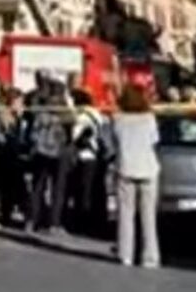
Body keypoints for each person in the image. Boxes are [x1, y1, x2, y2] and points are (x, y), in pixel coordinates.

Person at [111, 83, 161, 268]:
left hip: (125, 167)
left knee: (125, 214)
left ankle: (125, 254)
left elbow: (113, 142)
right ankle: (150, 256)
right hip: (148, 168)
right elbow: (154, 141)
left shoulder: (117, 119)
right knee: (149, 216)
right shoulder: (149, 118)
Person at [25, 77, 72, 233]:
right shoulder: (64, 109)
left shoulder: (39, 107)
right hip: (59, 151)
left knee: (37, 187)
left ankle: (32, 220)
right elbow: (72, 124)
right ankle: (54, 223)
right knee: (58, 188)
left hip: (40, 150)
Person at [0, 87, 27, 226]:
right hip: (1, 154)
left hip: (7, 154)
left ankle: (4, 213)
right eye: (19, 101)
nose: (22, 105)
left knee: (7, 187)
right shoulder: (1, 113)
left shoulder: (8, 113)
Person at [69, 88, 110, 233]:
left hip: (84, 155)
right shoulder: (97, 114)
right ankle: (97, 220)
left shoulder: (81, 116)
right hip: (96, 156)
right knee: (96, 189)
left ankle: (82, 221)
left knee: (82, 190)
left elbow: (75, 136)